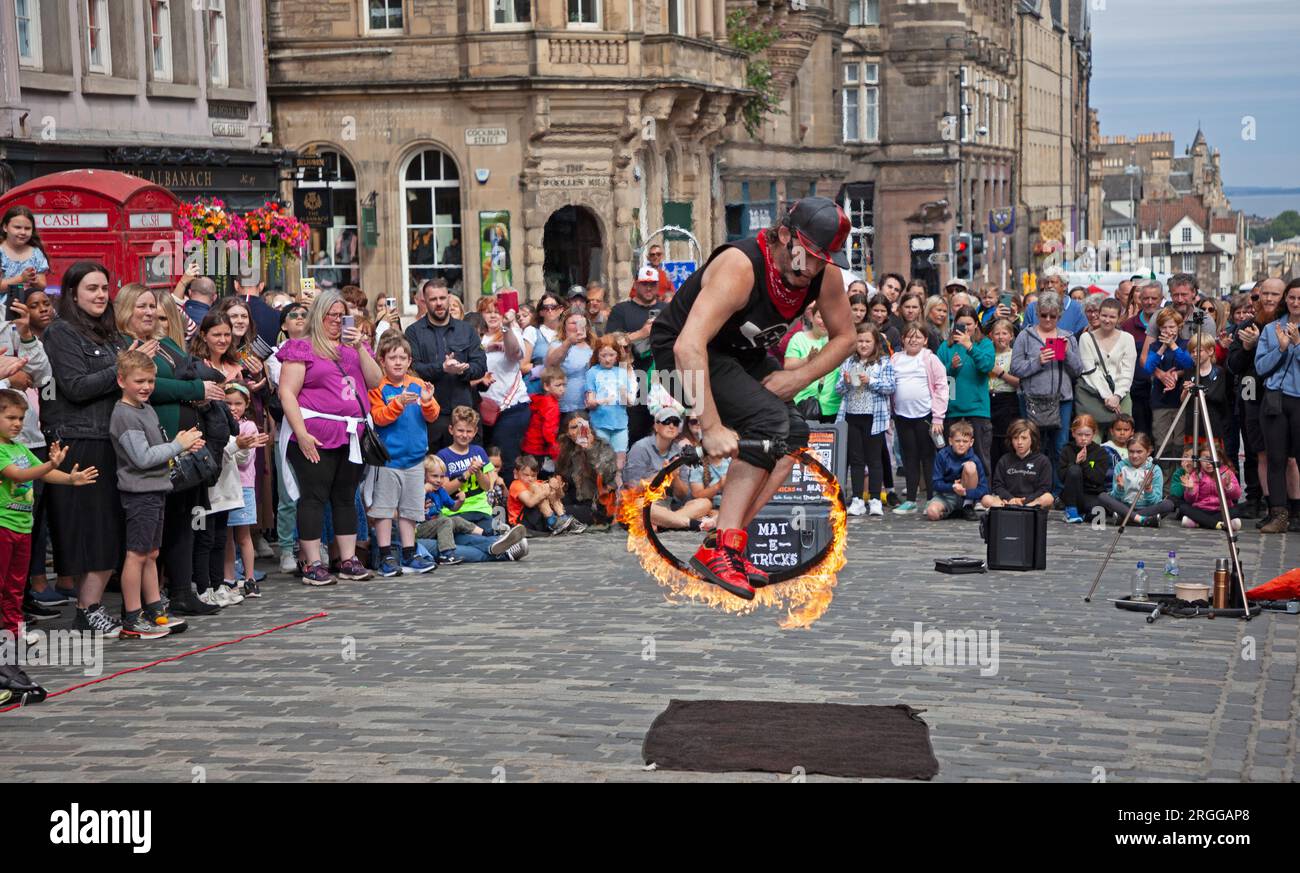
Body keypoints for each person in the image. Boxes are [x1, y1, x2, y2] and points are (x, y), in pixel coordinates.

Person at [647, 197, 856, 598]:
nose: (811, 269)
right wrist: (709, 427)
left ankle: (726, 544)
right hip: (680, 355)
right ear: (783, 235)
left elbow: (846, 337)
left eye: (821, 260)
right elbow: (688, 348)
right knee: (769, 423)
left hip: (738, 355)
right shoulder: (740, 267)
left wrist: (797, 380)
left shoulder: (823, 275)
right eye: (806, 256)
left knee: (791, 434)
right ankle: (723, 547)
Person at [118, 285, 225, 617]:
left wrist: (201, 389)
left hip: (188, 444)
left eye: (154, 307)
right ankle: (144, 603)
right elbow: (149, 386)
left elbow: (195, 370)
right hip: (158, 445)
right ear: (126, 309)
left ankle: (181, 590)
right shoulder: (126, 344)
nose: (150, 313)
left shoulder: (164, 343)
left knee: (184, 520)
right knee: (154, 530)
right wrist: (194, 389)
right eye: (143, 307)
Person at [40, 261, 132, 638]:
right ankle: (87, 608)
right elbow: (76, 386)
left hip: (112, 437)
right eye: (91, 288)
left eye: (103, 287)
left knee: (109, 528)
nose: (100, 295)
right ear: (73, 293)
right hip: (80, 439)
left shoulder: (112, 336)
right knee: (89, 529)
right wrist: (122, 368)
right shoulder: (61, 333)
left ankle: (90, 607)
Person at [277, 290, 383, 585]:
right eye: (331, 315)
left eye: (341, 315)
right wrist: (301, 433)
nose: (336, 321)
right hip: (316, 432)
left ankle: (347, 559)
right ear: (319, 316)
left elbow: (375, 381)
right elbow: (287, 392)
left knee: (346, 496)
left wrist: (361, 346)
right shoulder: (302, 347)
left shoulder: (352, 348)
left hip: (351, 434)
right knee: (313, 496)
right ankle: (312, 562)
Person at [109, 350, 206, 637]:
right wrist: (178, 445)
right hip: (140, 492)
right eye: (139, 381)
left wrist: (183, 447)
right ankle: (131, 615)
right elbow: (142, 457)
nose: (146, 387)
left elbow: (159, 448)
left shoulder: (145, 408)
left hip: (156, 489)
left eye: (150, 381)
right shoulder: (124, 414)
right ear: (121, 380)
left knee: (151, 553)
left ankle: (154, 611)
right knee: (136, 554)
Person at [0, 390, 98, 665]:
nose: (17, 424)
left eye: (21, 418)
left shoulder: (19, 448)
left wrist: (69, 478)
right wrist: (49, 465)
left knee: (16, 586)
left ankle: (13, 634)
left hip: (22, 527)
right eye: (10, 418)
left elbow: (42, 471)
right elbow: (18, 475)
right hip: (3, 527)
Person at [366, 332, 440, 576]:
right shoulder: (379, 388)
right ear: (382, 361)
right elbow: (379, 418)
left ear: (410, 361)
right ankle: (387, 555)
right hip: (389, 460)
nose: (397, 362)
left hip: (415, 459)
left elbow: (433, 415)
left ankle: (410, 553)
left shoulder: (418, 385)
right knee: (384, 509)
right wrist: (398, 403)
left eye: (402, 358)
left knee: (410, 510)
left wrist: (427, 401)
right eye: (392, 357)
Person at [1010, 290, 1083, 489]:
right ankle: (1036, 487)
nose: (1048, 319)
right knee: (1034, 446)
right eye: (1044, 315)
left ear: (1059, 315)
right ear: (1037, 313)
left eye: (1053, 315)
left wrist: (1067, 353)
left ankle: (1058, 490)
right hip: (1032, 399)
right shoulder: (1026, 336)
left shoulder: (1067, 337)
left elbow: (1078, 370)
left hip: (1062, 399)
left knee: (1060, 447)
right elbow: (1015, 368)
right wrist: (1038, 361)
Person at [405, 279, 487, 453]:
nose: (439, 303)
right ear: (424, 301)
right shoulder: (414, 332)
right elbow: (413, 369)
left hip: (464, 413)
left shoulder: (467, 330)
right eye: (433, 299)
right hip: (430, 414)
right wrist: (442, 368)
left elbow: (480, 365)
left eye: (442, 298)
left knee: (470, 469)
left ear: (449, 298)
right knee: (433, 472)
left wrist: (462, 370)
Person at [1253, 277, 1300, 533]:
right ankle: (1278, 514)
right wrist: (1281, 349)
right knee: (1276, 458)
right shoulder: (1272, 329)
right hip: (1275, 399)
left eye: (1299, 298)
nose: (1295, 303)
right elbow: (1261, 367)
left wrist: (1297, 345)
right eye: (1291, 297)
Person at [622, 407, 717, 533]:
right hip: (645, 502)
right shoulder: (640, 448)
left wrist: (675, 477)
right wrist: (662, 474)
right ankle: (689, 523)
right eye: (667, 421)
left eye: (676, 422)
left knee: (704, 503)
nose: (671, 426)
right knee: (640, 505)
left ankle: (665, 523)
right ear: (656, 426)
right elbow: (633, 490)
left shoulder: (679, 451)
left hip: (668, 505)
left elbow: (682, 495)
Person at [837, 323, 895, 517]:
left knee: (875, 459)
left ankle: (876, 498)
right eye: (860, 341)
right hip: (852, 415)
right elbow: (839, 389)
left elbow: (890, 387)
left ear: (875, 342)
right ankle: (857, 499)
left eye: (867, 341)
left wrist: (870, 381)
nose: (863, 345)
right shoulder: (848, 362)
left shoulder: (884, 363)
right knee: (856, 460)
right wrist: (846, 382)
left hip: (874, 417)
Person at [891, 323, 948, 514]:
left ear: (925, 340)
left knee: (928, 456)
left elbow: (941, 386)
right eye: (909, 336)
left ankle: (932, 498)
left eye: (918, 337)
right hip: (902, 415)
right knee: (909, 457)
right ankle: (911, 500)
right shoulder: (896, 359)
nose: (913, 340)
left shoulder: (930, 359)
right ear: (903, 339)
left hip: (925, 414)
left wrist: (938, 417)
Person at [221, 383, 271, 595]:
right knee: (226, 537)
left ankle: (250, 578)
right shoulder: (219, 424)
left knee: (243, 535)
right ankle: (229, 578)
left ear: (246, 404)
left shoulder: (249, 426)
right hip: (224, 488)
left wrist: (233, 446)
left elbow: (243, 459)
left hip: (243, 487)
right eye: (228, 403)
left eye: (238, 403)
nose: (233, 408)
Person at [606, 266, 664, 444]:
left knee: (665, 433)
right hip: (632, 381)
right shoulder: (621, 310)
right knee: (633, 434)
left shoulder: (668, 308)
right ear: (636, 284)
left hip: (663, 381)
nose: (649, 288)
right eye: (645, 284)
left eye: (653, 284)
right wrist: (641, 333)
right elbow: (609, 344)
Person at [476, 296, 531, 485]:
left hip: (511, 408)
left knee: (505, 460)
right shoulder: (479, 337)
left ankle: (507, 509)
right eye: (487, 311)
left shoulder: (512, 331)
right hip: (485, 409)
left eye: (496, 311)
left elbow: (515, 352)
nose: (492, 315)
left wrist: (506, 327)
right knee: (485, 461)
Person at [937, 306, 995, 475]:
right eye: (961, 324)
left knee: (980, 458)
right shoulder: (945, 347)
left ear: (976, 324)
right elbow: (938, 377)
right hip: (953, 410)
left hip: (977, 410)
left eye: (969, 324)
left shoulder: (984, 344)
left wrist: (970, 347)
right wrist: (952, 367)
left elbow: (986, 365)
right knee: (952, 459)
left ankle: (982, 497)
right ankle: (954, 496)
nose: (965, 328)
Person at [1076, 297, 1136, 442]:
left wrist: (1117, 396)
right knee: (1091, 443)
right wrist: (1108, 396)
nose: (1107, 320)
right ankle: (1091, 466)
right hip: (1093, 395)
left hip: (1120, 396)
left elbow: (1127, 371)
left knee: (1120, 442)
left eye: (1112, 317)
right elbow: (1089, 370)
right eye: (1104, 315)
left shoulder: (1127, 339)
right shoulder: (1086, 338)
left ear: (1118, 317)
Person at [1142, 308, 1194, 469]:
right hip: (1160, 402)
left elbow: (1188, 364)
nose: (1168, 330)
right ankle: (1163, 484)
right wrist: (1163, 348)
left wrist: (1172, 346)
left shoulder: (1185, 344)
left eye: (1171, 327)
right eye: (1164, 327)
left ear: (1179, 327)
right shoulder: (1155, 346)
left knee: (1179, 442)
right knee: (1162, 441)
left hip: (1181, 401)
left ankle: (1178, 483)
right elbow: (1148, 367)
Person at [436, 406, 499, 533]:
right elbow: (444, 491)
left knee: (485, 534)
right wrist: (466, 473)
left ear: (475, 431)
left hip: (480, 509)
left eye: (469, 431)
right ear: (451, 429)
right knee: (476, 536)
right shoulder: (442, 456)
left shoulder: (479, 451)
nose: (464, 435)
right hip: (454, 511)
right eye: (460, 430)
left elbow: (487, 487)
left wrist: (478, 471)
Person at [584, 334, 635, 473]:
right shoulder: (592, 373)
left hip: (620, 424)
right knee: (601, 462)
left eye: (611, 355)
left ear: (617, 355)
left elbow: (628, 403)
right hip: (600, 423)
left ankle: (617, 492)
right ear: (597, 355)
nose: (607, 359)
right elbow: (590, 402)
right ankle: (603, 492)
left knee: (620, 462)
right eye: (603, 355)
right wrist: (600, 401)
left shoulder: (622, 373)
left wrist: (625, 394)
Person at [1098, 432, 1172, 527]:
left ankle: (1125, 519)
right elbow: (1115, 497)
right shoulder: (1120, 466)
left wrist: (1148, 489)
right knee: (1102, 496)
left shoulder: (1155, 469)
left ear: (1148, 451)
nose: (1134, 456)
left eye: (1139, 452)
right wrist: (1120, 488)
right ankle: (1141, 519)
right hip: (1124, 507)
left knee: (1168, 504)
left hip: (1147, 508)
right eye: (1131, 451)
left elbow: (1156, 500)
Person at [556, 416, 619, 525]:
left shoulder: (603, 447)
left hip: (595, 506)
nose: (576, 431)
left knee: (557, 511)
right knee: (548, 507)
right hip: (571, 501)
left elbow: (606, 476)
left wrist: (589, 449)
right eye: (572, 428)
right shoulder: (567, 448)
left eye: (580, 426)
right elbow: (561, 476)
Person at [1121, 280, 1164, 437]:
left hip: (1163, 391)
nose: (1149, 302)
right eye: (1145, 298)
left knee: (1160, 435)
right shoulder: (1127, 326)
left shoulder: (1170, 322)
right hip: (1137, 392)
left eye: (1154, 298)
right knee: (1140, 435)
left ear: (1161, 299)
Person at [980, 418, 1055, 510]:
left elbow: (1044, 488)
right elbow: (998, 486)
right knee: (986, 499)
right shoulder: (1004, 460)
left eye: (1024, 438)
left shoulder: (1043, 461)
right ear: (1011, 440)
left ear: (1032, 439)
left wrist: (1026, 501)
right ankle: (1010, 508)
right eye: (1015, 438)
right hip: (1008, 502)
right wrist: (1011, 499)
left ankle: (1027, 508)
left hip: (1031, 502)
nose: (1019, 442)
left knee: (1048, 497)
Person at [786, 304, 842, 424]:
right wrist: (807, 360)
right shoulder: (799, 338)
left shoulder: (840, 341)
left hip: (833, 405)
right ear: (812, 317)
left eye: (828, 318)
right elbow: (788, 366)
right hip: (804, 403)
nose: (824, 322)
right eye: (820, 317)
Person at [923, 420, 987, 521]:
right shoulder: (942, 455)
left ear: (971, 442)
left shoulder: (974, 459)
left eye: (965, 441)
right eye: (957, 441)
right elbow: (935, 483)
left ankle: (967, 506)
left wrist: (965, 492)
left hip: (966, 496)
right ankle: (950, 512)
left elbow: (983, 489)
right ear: (950, 441)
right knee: (932, 513)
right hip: (946, 496)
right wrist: (952, 486)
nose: (961, 444)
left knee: (970, 466)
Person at [1058, 414, 1112, 524]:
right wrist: (1075, 463)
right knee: (1074, 469)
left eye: (1087, 435)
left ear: (1094, 434)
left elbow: (1098, 479)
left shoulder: (1100, 452)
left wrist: (1085, 463)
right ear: (1073, 433)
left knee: (1099, 514)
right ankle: (1071, 509)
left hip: (1091, 494)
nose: (1083, 438)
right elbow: (1061, 477)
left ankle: (1082, 514)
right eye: (1080, 434)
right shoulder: (1067, 450)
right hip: (1072, 494)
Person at [546, 309, 595, 425]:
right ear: (564, 326)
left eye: (581, 322)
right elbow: (551, 364)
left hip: (591, 407)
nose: (578, 326)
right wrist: (568, 342)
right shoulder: (558, 344)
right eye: (573, 323)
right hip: (565, 408)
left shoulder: (593, 346)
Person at [1176, 446, 1242, 531]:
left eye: (1212, 459)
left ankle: (1201, 522)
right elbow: (1190, 500)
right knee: (1183, 507)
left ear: (1220, 459)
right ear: (1199, 460)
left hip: (1221, 510)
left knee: (1236, 511)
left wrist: (1229, 486)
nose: (1209, 463)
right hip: (1201, 510)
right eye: (1205, 459)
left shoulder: (1226, 472)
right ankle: (1218, 524)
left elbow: (1237, 495)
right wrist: (1190, 489)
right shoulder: (1197, 473)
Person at [509, 454, 578, 535]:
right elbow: (530, 502)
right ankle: (552, 520)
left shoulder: (537, 483)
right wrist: (547, 488)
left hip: (537, 521)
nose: (530, 479)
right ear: (516, 473)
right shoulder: (516, 485)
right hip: (521, 524)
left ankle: (562, 517)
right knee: (540, 489)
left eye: (533, 476)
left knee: (546, 489)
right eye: (526, 475)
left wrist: (557, 487)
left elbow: (560, 496)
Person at [0, 207, 48, 317]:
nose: (23, 232)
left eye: (27, 228)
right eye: (17, 227)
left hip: (30, 308)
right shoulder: (1, 252)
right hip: (3, 310)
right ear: (5, 227)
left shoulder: (35, 253)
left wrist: (33, 279)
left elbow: (42, 286)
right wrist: (21, 279)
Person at [986, 317, 1021, 460]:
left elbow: (1020, 382)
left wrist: (1000, 372)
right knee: (991, 443)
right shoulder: (987, 354)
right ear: (991, 336)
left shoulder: (1015, 355)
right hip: (988, 400)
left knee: (1005, 441)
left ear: (1011, 336)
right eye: (997, 333)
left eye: (1004, 333)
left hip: (1007, 401)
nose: (1001, 337)